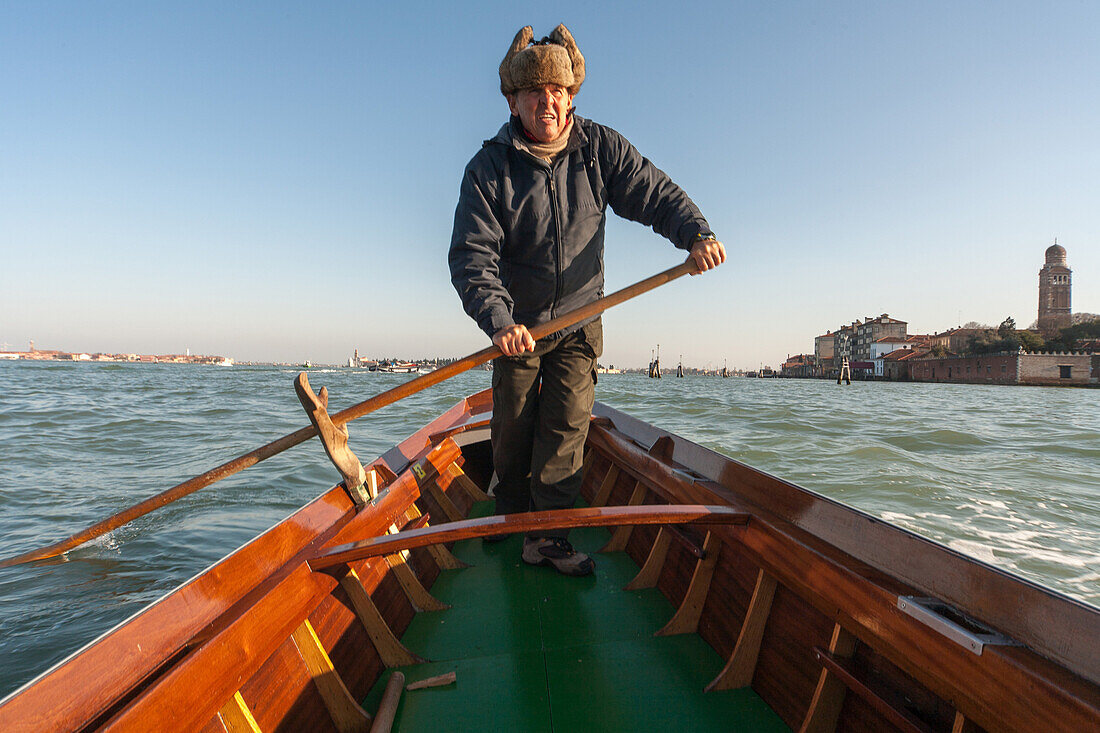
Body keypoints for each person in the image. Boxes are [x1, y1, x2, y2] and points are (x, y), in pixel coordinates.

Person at [448, 24, 725, 576]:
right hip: (518, 329)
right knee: (512, 432)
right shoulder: (488, 168)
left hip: (578, 321)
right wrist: (500, 321)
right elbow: (471, 258)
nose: (546, 102)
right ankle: (508, 514)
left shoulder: (600, 149)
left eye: (556, 92)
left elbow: (655, 193)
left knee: (566, 430)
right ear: (513, 101)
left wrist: (696, 233)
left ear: (570, 97)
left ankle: (547, 539)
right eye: (533, 93)